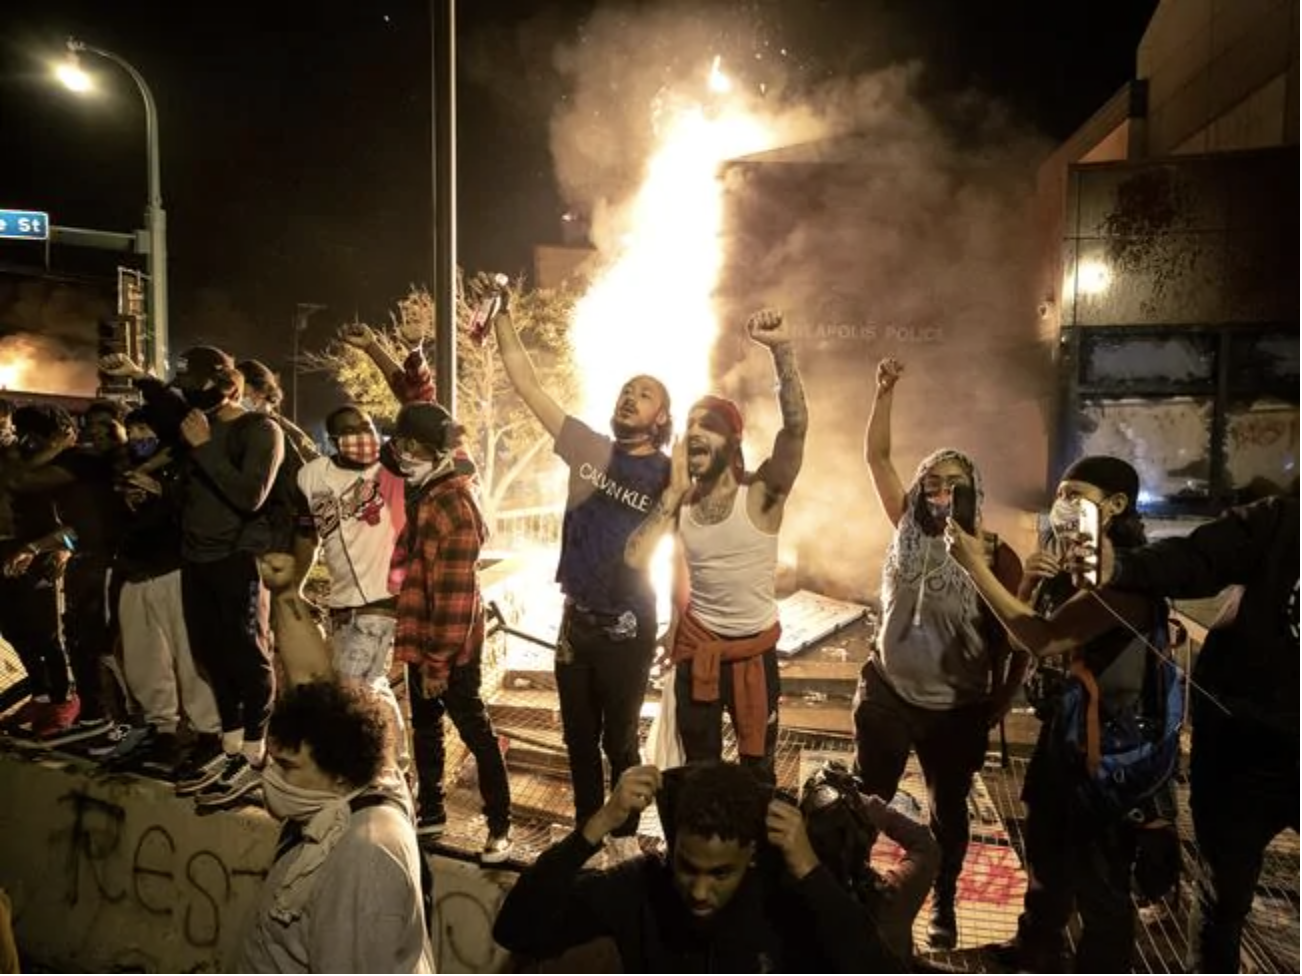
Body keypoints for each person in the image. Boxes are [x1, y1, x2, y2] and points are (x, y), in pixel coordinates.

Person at [945, 455, 1168, 973]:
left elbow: (1044, 640)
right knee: (1046, 858)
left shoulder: (1129, 575)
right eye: (1060, 495)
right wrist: (1026, 587)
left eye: (1077, 495)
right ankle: (1035, 951)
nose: (1063, 506)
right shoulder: (1069, 564)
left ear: (1115, 505)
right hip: (1062, 739)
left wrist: (973, 564)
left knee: (1101, 882)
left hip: (1107, 753)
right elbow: (1015, 637)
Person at [1081, 492, 1299, 973]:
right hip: (1242, 755)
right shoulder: (1286, 520)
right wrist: (1120, 567)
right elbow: (1200, 557)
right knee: (1223, 901)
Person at [857, 357, 1026, 949]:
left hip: (955, 708)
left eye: (955, 483)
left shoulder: (997, 555)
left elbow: (1020, 640)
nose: (942, 492)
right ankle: (851, 889)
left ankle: (944, 904)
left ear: (973, 491)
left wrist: (997, 705)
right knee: (863, 798)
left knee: (948, 810)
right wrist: (885, 391)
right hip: (888, 690)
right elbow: (877, 457)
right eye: (933, 480)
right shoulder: (903, 525)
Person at [491, 295, 672, 833]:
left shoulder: (670, 474)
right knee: (578, 742)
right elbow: (528, 385)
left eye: (644, 395)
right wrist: (503, 315)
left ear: (660, 417)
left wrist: (683, 620)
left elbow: (688, 551)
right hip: (577, 621)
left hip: (630, 623)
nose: (630, 397)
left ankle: (624, 838)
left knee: (619, 741)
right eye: (626, 390)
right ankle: (587, 834)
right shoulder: (588, 446)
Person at [493, 761, 901, 972]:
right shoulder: (641, 887)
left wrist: (811, 872)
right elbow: (515, 929)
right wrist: (595, 827)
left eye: (721, 874)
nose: (700, 892)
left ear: (751, 857)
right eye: (689, 869)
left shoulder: (782, 900)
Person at [625, 309, 807, 782]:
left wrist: (783, 352)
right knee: (697, 774)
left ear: (734, 440)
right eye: (690, 425)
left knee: (757, 774)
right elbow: (638, 561)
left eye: (708, 424)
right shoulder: (678, 502)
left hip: (753, 657)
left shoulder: (762, 495)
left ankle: (750, 855)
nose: (694, 432)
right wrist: (670, 498)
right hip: (697, 655)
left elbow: (796, 430)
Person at [242, 554, 432, 974]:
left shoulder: (366, 858)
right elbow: (314, 681)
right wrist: (287, 593)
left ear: (339, 772)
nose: (273, 779)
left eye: (289, 768)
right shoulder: (360, 772)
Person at [389, 401, 512, 863]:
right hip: (423, 638)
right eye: (400, 445)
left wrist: (437, 663)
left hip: (449, 649)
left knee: (476, 731)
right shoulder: (428, 488)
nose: (401, 455)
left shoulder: (453, 506)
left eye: (409, 447)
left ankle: (500, 824)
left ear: (431, 451)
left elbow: (455, 597)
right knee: (425, 729)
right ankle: (432, 813)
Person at [169, 346, 285, 808]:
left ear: (228, 385)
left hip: (236, 559)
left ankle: (256, 756)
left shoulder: (261, 430)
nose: (195, 399)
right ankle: (232, 747)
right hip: (195, 560)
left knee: (247, 655)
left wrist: (202, 449)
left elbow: (250, 495)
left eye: (202, 389)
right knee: (210, 654)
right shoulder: (199, 426)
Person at [111, 411, 222, 775]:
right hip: (135, 574)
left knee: (189, 657)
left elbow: (192, 511)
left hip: (174, 571)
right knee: (144, 661)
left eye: (144, 428)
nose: (137, 436)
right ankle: (163, 733)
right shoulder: (123, 469)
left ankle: (210, 734)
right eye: (131, 430)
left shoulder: (181, 469)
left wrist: (162, 490)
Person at [799, 760, 940, 964]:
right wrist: (867, 807)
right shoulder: (893, 898)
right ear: (869, 835)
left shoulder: (786, 901)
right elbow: (926, 847)